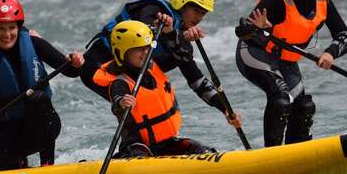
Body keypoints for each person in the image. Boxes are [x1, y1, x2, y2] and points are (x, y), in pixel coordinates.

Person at [81, 0, 239, 124]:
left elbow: (196, 80)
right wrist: (176, 35)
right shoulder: (153, 11)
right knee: (137, 105)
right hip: (96, 66)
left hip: (125, 73)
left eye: (203, 14)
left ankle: (157, 146)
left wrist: (226, 109)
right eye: (196, 10)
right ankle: (133, 148)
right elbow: (145, 39)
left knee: (181, 54)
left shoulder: (179, 41)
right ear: (181, 3)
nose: (199, 18)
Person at [235, 0, 347, 147]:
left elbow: (346, 35)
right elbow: (242, 32)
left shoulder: (323, 2)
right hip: (254, 52)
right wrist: (257, 29)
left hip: (285, 60)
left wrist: (331, 53)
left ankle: (296, 152)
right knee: (281, 98)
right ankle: (272, 155)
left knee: (304, 107)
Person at [0, 0, 84, 172]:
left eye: (11, 28)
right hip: (7, 134)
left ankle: (47, 165)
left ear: (18, 27)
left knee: (37, 97)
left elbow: (71, 71)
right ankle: (16, 163)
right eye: (0, 28)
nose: (7, 34)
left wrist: (76, 62)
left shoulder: (33, 43)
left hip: (43, 127)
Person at [93, 20, 238, 158]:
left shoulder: (154, 67)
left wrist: (172, 33)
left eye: (147, 47)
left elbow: (182, 55)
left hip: (166, 143)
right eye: (138, 49)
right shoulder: (120, 82)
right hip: (137, 147)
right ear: (122, 53)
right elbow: (117, 103)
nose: (145, 53)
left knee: (199, 148)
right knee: (141, 155)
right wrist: (121, 103)